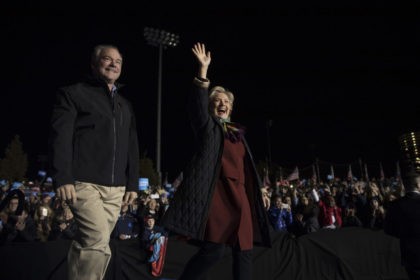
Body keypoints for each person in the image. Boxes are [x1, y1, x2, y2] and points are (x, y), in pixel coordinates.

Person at [160, 42, 271, 280]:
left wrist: (259, 188)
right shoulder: (207, 126)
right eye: (217, 101)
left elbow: (247, 164)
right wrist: (203, 72)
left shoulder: (236, 131)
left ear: (231, 107)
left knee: (245, 251)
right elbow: (197, 106)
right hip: (218, 194)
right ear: (211, 106)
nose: (223, 104)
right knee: (214, 250)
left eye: (227, 102)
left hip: (241, 194)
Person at [48, 44, 140, 280]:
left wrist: (132, 185)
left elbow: (132, 147)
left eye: (118, 61)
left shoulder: (125, 105)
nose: (113, 64)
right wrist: (63, 177)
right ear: (94, 64)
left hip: (116, 189)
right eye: (107, 59)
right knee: (97, 241)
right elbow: (61, 138)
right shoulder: (73, 93)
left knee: (90, 244)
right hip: (83, 183)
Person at [384, 171, 420, 280]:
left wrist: (405, 235)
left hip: (409, 253)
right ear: (418, 185)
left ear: (404, 185)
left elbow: (388, 229)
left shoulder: (395, 205)